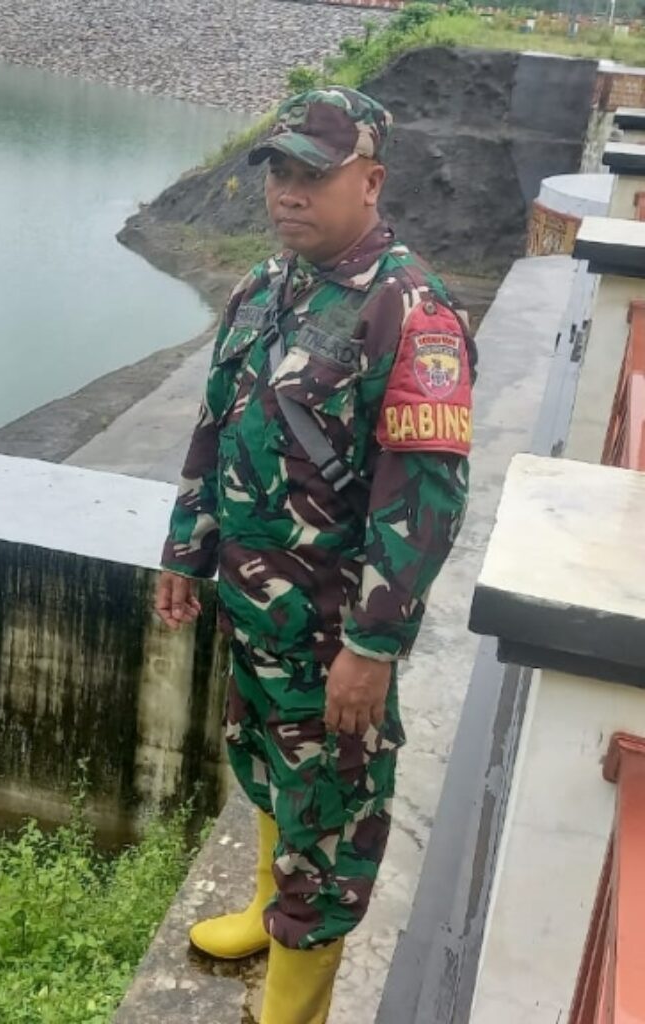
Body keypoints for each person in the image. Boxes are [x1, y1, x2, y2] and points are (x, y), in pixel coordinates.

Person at [154, 86, 475, 1024]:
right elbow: (215, 425)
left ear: (370, 181)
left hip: (334, 633)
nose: (289, 193)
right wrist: (187, 549)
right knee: (262, 763)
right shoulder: (267, 287)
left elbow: (424, 498)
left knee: (330, 826)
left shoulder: (410, 311)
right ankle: (263, 905)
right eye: (280, 174)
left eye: (313, 175)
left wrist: (373, 648)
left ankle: (291, 1009)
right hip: (256, 611)